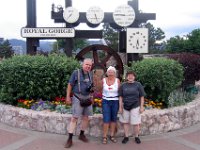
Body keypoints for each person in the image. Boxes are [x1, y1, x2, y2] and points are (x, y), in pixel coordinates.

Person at [65, 58, 93, 148]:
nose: (88, 66)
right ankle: (69, 139)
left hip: (88, 98)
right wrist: (68, 96)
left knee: (86, 117)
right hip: (77, 97)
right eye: (86, 64)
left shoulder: (90, 74)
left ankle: (81, 134)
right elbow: (70, 85)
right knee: (74, 118)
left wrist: (92, 96)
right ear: (82, 64)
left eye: (90, 65)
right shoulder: (75, 73)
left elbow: (91, 86)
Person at [118, 71, 145, 144]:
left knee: (136, 123)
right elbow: (120, 97)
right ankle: (126, 137)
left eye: (132, 76)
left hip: (135, 106)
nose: (130, 77)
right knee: (125, 122)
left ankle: (136, 136)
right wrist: (120, 107)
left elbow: (142, 96)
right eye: (129, 75)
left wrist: (141, 107)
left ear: (134, 77)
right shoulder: (123, 85)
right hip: (125, 106)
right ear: (126, 77)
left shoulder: (138, 85)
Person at [101, 66, 120, 144]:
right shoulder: (103, 80)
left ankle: (112, 135)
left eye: (112, 72)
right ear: (107, 73)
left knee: (113, 119)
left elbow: (120, 91)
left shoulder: (117, 80)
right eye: (109, 72)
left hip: (115, 101)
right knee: (106, 119)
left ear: (115, 73)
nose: (111, 73)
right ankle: (104, 136)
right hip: (106, 101)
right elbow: (100, 90)